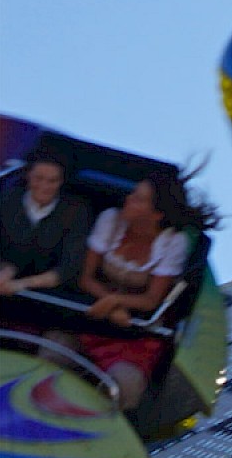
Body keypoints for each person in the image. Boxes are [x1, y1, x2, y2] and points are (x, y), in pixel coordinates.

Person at [73, 169, 211, 407]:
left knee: (126, 383)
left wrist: (116, 303)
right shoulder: (110, 220)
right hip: (88, 317)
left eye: (137, 199)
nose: (128, 200)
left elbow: (151, 299)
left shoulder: (172, 242)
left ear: (156, 214)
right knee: (54, 354)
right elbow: (85, 279)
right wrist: (111, 304)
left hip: (134, 331)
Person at [0, 151, 91, 308]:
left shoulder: (76, 212)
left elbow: (69, 267)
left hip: (47, 295)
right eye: (38, 178)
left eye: (52, 181)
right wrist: (4, 268)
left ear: (62, 181)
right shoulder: (6, 200)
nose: (44, 186)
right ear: (28, 175)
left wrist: (22, 284)